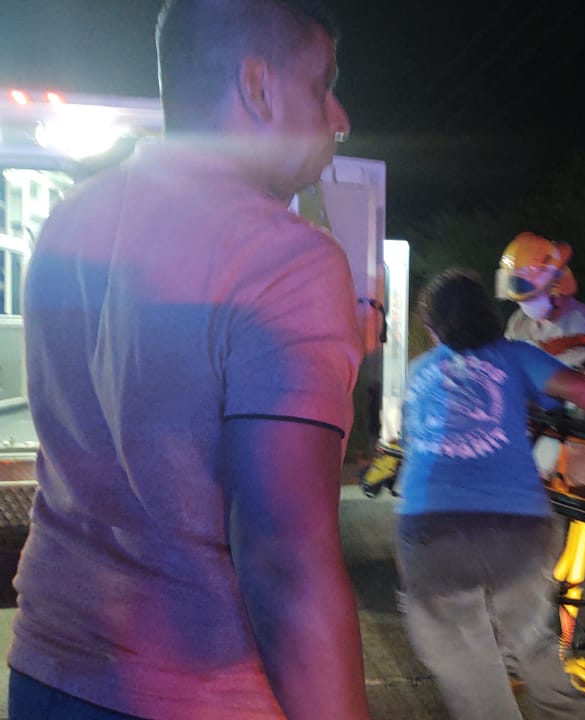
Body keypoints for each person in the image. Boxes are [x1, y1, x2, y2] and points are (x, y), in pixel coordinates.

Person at [10, 1, 370, 718]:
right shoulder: (285, 261)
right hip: (195, 692)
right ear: (258, 86)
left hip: (45, 669)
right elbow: (285, 565)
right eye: (322, 85)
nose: (339, 117)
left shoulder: (68, 221)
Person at [395, 269, 585, 720]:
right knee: (528, 631)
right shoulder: (515, 355)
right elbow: (583, 388)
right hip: (517, 523)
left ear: (433, 329)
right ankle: (570, 714)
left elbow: (417, 441)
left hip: (431, 524)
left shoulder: (418, 372)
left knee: (463, 647)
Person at [498, 230, 585, 651]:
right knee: (584, 537)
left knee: (566, 535)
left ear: (553, 282)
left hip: (575, 440)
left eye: (528, 289)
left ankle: (554, 628)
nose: (523, 300)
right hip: (537, 440)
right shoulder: (520, 322)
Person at [499, 231, 585, 345]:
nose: (526, 306)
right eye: (523, 300)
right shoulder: (519, 321)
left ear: (556, 285)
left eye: (531, 298)